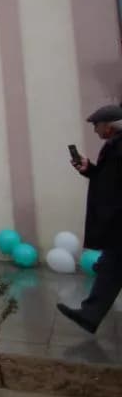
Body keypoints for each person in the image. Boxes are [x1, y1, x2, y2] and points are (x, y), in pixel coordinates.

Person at [57, 105, 122, 334]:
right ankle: (89, 315)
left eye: (97, 125)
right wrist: (89, 170)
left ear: (109, 125)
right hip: (117, 223)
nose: (95, 130)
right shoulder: (115, 145)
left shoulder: (118, 146)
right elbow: (109, 181)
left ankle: (89, 315)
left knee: (112, 267)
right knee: (111, 268)